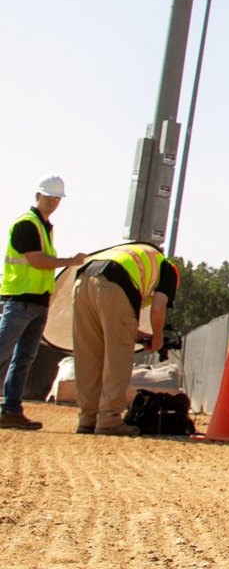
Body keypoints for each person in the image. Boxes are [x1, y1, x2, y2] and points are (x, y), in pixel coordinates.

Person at [0, 175, 88, 430]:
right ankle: (11, 409)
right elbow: (37, 261)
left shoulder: (44, 226)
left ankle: (11, 411)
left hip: (37, 302)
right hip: (19, 301)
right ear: (37, 196)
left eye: (56, 200)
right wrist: (70, 261)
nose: (52, 203)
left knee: (24, 357)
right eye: (49, 198)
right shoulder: (27, 225)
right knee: (4, 352)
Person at [71, 243, 178, 436]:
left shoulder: (135, 256)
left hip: (82, 282)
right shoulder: (168, 268)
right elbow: (158, 308)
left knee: (88, 356)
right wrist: (158, 336)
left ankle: (88, 419)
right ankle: (109, 420)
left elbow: (113, 318)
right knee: (117, 359)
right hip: (114, 285)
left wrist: (135, 333)